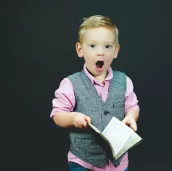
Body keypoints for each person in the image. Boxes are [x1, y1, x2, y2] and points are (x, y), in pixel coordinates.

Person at [50, 15, 139, 171]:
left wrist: (131, 116)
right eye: (92, 46)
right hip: (84, 162)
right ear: (80, 49)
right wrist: (72, 117)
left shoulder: (124, 81)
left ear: (116, 50)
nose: (100, 53)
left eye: (107, 46)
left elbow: (132, 106)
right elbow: (57, 114)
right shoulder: (70, 84)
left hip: (117, 162)